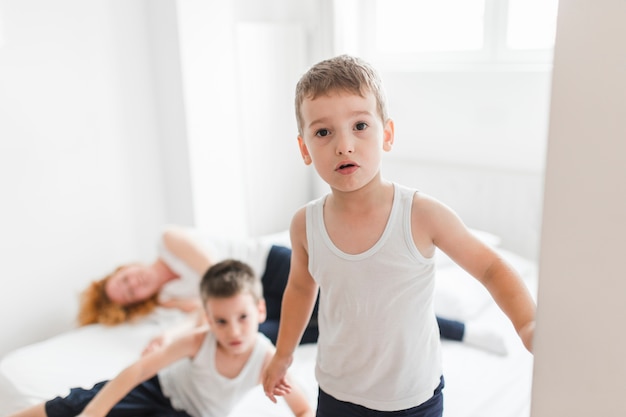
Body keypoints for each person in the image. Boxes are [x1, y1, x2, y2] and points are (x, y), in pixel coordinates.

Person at [262, 55, 536, 416]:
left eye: (360, 125)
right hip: (337, 393)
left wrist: (528, 324)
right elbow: (300, 289)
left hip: (413, 398)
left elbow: (490, 268)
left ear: (386, 135)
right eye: (323, 132)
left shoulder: (420, 215)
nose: (344, 144)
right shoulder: (304, 224)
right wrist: (283, 354)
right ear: (304, 149)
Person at [79, 225, 498, 353]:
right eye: (129, 295)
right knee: (242, 338)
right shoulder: (172, 297)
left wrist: (196, 318)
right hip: (252, 300)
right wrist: (170, 333)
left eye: (124, 280)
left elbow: (220, 275)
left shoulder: (168, 242)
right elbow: (207, 310)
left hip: (273, 269)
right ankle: (337, 330)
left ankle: (461, 331)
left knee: (362, 307)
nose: (133, 286)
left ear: (125, 268)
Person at [8, 259, 314, 417]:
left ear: (260, 311)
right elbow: (139, 370)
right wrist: (94, 411)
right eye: (221, 321)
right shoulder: (199, 340)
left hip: (191, 415)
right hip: (156, 389)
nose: (233, 332)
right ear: (207, 319)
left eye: (242, 318)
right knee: (78, 403)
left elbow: (302, 407)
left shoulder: (266, 358)